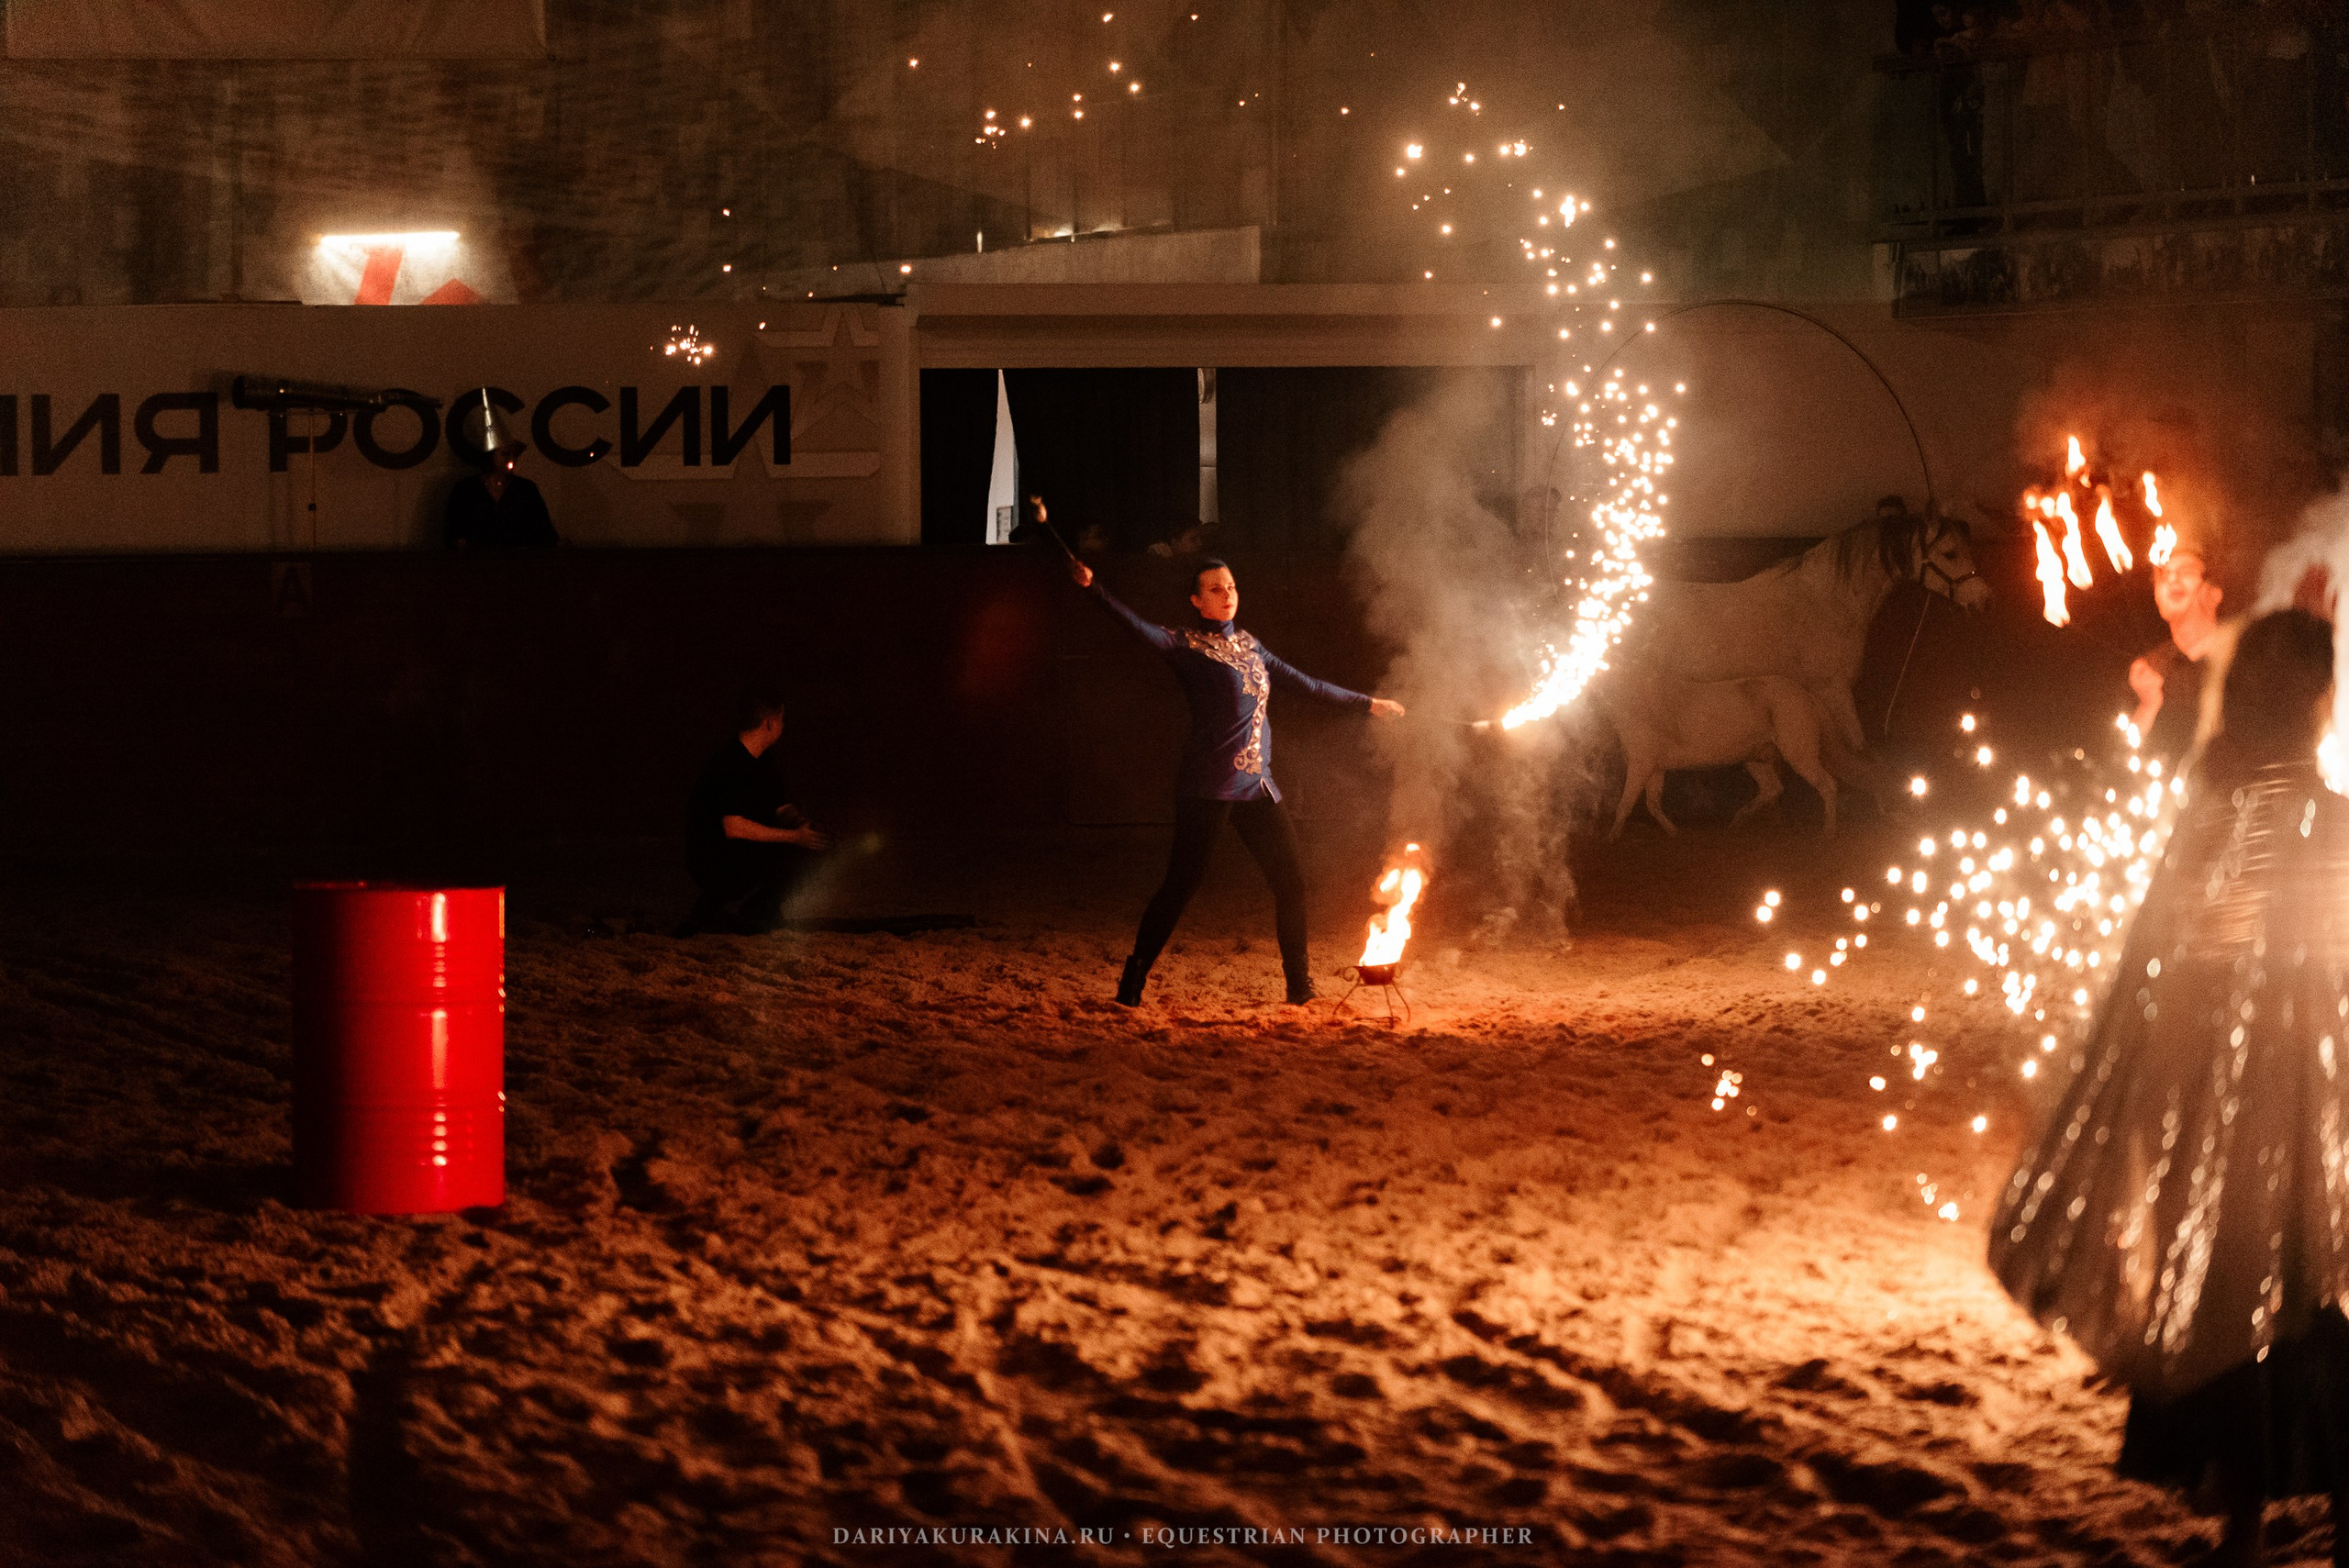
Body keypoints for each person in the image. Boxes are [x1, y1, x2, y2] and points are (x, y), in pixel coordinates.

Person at [1990, 608, 2349, 1568]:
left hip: (2226, 1080)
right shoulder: (2305, 808)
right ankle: (2267, 1507)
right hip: (2280, 1079)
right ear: (2311, 699)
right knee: (2289, 1279)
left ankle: (2242, 1520)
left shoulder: (2224, 795)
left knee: (2234, 1280)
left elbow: (2171, 943)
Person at [1066, 551, 1406, 1006]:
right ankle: (1132, 983)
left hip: (1257, 784)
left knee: (1290, 882)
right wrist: (1094, 589)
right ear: (1196, 601)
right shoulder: (1185, 645)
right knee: (1181, 885)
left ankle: (1299, 987)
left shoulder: (1250, 645)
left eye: (1231, 587)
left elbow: (1306, 683)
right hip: (1208, 786)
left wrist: (1369, 704)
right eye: (1215, 590)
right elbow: (1137, 627)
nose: (1227, 595)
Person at [679, 689, 829, 936]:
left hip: (740, 851)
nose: (783, 725)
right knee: (795, 847)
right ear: (770, 722)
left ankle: (758, 909)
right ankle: (719, 910)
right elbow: (732, 826)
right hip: (712, 858)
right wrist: (794, 837)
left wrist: (803, 824)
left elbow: (781, 807)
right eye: (782, 719)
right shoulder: (729, 763)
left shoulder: (763, 760)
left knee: (812, 844)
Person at [2129, 541, 2226, 765]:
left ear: (2213, 593)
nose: (2172, 580)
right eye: (2165, 575)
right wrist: (2148, 706)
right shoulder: (2146, 672)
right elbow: (2128, 761)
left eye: (2187, 572)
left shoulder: (2244, 652)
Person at [444, 439, 557, 551]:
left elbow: (542, 527)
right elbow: (452, 529)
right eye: (505, 454)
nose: (512, 459)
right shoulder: (466, 489)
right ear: (491, 455)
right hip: (476, 562)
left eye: (515, 455)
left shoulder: (526, 488)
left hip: (518, 562)